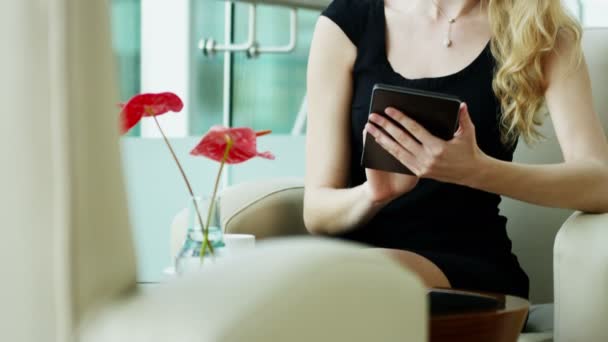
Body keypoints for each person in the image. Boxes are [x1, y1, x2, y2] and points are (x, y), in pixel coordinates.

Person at [303, 0, 608, 300]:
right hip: (351, 265)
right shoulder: (345, 22)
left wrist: (479, 171)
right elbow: (317, 212)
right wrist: (372, 195)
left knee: (362, 282)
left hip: (464, 268)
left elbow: (599, 183)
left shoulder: (543, 32)